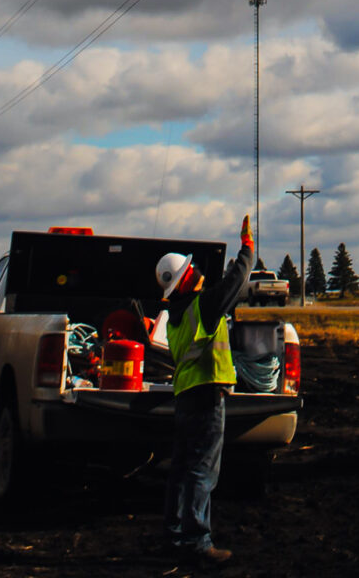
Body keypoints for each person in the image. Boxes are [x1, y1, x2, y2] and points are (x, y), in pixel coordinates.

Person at [157, 214, 256, 566]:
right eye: (191, 270)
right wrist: (247, 249)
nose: (197, 270)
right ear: (184, 282)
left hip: (185, 398)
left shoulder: (176, 316)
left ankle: (173, 536)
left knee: (182, 469)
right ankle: (197, 541)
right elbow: (236, 281)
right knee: (202, 470)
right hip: (206, 399)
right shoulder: (204, 307)